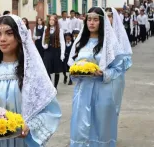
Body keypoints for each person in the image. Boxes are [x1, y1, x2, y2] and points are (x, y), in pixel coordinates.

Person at [0, 14, 61, 147]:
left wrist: (29, 126)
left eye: (9, 33)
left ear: (19, 36)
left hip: (21, 140)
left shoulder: (31, 71)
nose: (2, 39)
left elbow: (50, 111)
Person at [68, 7, 132, 147]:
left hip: (102, 91)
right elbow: (72, 63)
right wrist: (75, 71)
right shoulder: (80, 43)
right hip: (82, 91)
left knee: (101, 128)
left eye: (95, 20)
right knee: (80, 128)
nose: (91, 23)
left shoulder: (110, 44)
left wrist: (104, 74)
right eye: (89, 19)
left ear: (101, 22)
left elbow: (118, 68)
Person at [105, 7, 133, 117]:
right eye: (105, 16)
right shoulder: (101, 33)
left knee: (113, 101)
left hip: (116, 72)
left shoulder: (119, 34)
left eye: (110, 16)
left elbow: (125, 54)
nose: (108, 18)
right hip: (103, 72)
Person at [42, 15, 65, 89]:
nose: (51, 21)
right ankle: (50, 85)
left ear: (55, 21)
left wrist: (62, 54)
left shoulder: (59, 30)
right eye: (50, 20)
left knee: (56, 70)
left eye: (53, 20)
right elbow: (43, 40)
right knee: (46, 68)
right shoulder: (46, 29)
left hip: (56, 51)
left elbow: (62, 42)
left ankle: (55, 86)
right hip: (48, 51)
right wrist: (44, 45)